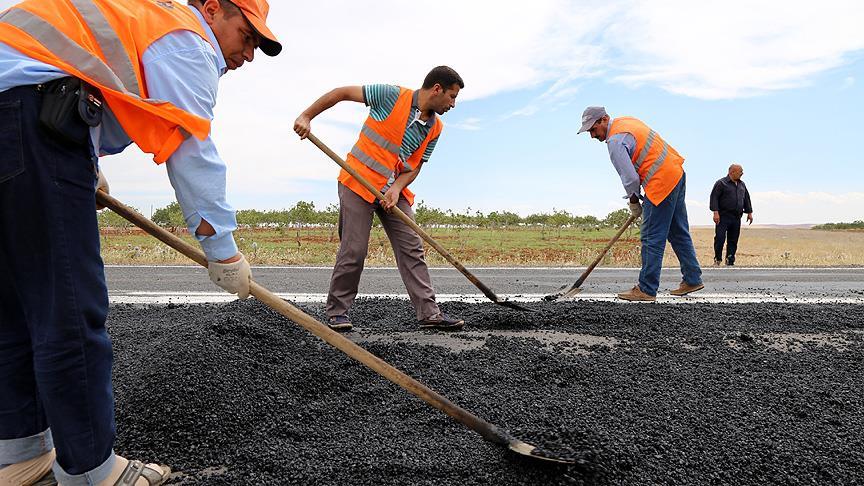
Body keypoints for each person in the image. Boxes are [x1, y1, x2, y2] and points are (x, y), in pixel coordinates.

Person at [0, 0, 281, 484]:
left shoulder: (141, 20)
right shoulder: (186, 37)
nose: (249, 53)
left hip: (19, 116)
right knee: (68, 308)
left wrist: (83, 160)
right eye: (248, 35)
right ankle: (91, 470)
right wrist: (222, 250)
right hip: (33, 114)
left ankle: (19, 454)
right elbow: (191, 148)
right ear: (213, 9)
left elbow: (44, 76)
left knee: (14, 305)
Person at [294, 67, 465, 332]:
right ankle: (337, 312)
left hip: (393, 192)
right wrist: (307, 116)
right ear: (437, 89)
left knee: (412, 247)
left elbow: (416, 166)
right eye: (452, 97)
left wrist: (396, 188)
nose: (453, 104)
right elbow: (340, 93)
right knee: (354, 248)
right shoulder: (390, 96)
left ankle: (429, 314)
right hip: (358, 182)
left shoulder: (435, 128)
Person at [577, 106, 704, 302]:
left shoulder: (615, 141)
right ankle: (693, 278)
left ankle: (646, 288)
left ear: (604, 119)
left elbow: (629, 178)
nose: (592, 136)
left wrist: (634, 201)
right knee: (678, 232)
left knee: (651, 236)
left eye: (593, 130)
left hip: (661, 181)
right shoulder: (627, 121)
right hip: (676, 173)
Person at [710, 164, 753, 266]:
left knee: (733, 239)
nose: (742, 173)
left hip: (736, 217)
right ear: (732, 172)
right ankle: (718, 259)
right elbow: (714, 198)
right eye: (740, 171)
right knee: (720, 238)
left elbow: (746, 198)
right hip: (723, 216)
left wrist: (749, 213)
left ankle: (730, 260)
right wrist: (715, 212)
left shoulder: (742, 184)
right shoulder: (721, 183)